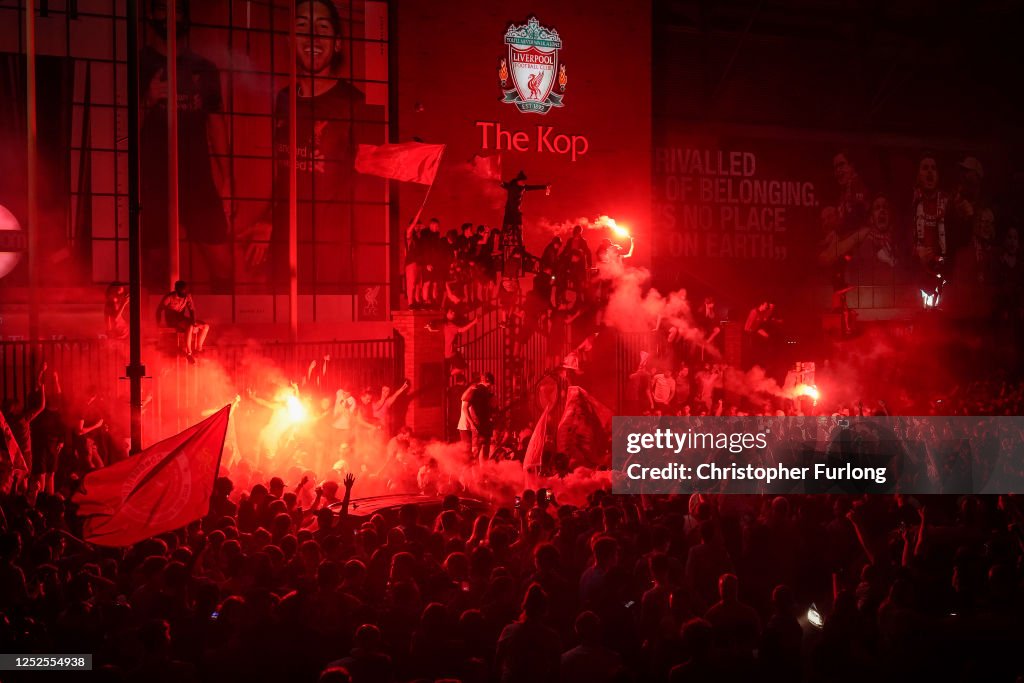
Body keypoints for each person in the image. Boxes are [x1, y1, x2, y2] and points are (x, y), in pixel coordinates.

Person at [242, 0, 371, 293]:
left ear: (337, 43)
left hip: (329, 253)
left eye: (322, 28)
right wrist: (267, 220)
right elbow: (283, 175)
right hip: (285, 246)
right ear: (291, 41)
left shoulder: (353, 104)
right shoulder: (285, 99)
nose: (312, 36)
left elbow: (367, 188)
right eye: (302, 27)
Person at [140, 0, 231, 292]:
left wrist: (227, 177)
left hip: (197, 177)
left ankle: (226, 331)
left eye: (177, 10)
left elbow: (216, 124)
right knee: (155, 263)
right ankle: (156, 331)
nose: (170, 16)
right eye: (162, 9)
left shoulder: (204, 69)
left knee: (221, 262)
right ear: (151, 14)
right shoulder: (138, 64)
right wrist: (148, 99)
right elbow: (117, 131)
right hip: (152, 177)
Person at [157, 280, 209, 362]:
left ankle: (198, 349)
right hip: (172, 320)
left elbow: (192, 310)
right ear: (176, 289)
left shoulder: (187, 296)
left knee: (205, 326)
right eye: (182, 290)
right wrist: (158, 324)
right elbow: (159, 310)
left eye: (185, 290)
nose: (184, 292)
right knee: (190, 326)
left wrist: (194, 321)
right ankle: (189, 353)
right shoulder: (169, 297)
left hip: (182, 318)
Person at [464, 372, 496, 466]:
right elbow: (465, 407)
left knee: (479, 452)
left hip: (481, 426)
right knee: (479, 452)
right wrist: (471, 423)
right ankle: (477, 475)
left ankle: (481, 475)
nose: (490, 386)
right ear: (487, 381)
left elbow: (465, 406)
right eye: (489, 384)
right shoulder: (477, 390)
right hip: (479, 426)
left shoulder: (481, 391)